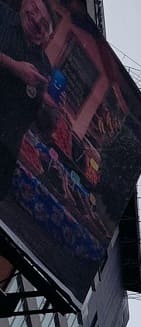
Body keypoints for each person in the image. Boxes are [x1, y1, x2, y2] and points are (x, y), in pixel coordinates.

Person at [0, 0, 53, 200]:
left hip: (5, 152)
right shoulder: (3, 15)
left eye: (45, 24)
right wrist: (14, 66)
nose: (37, 21)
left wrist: (49, 109)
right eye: (36, 9)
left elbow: (42, 126)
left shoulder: (45, 67)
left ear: (48, 36)